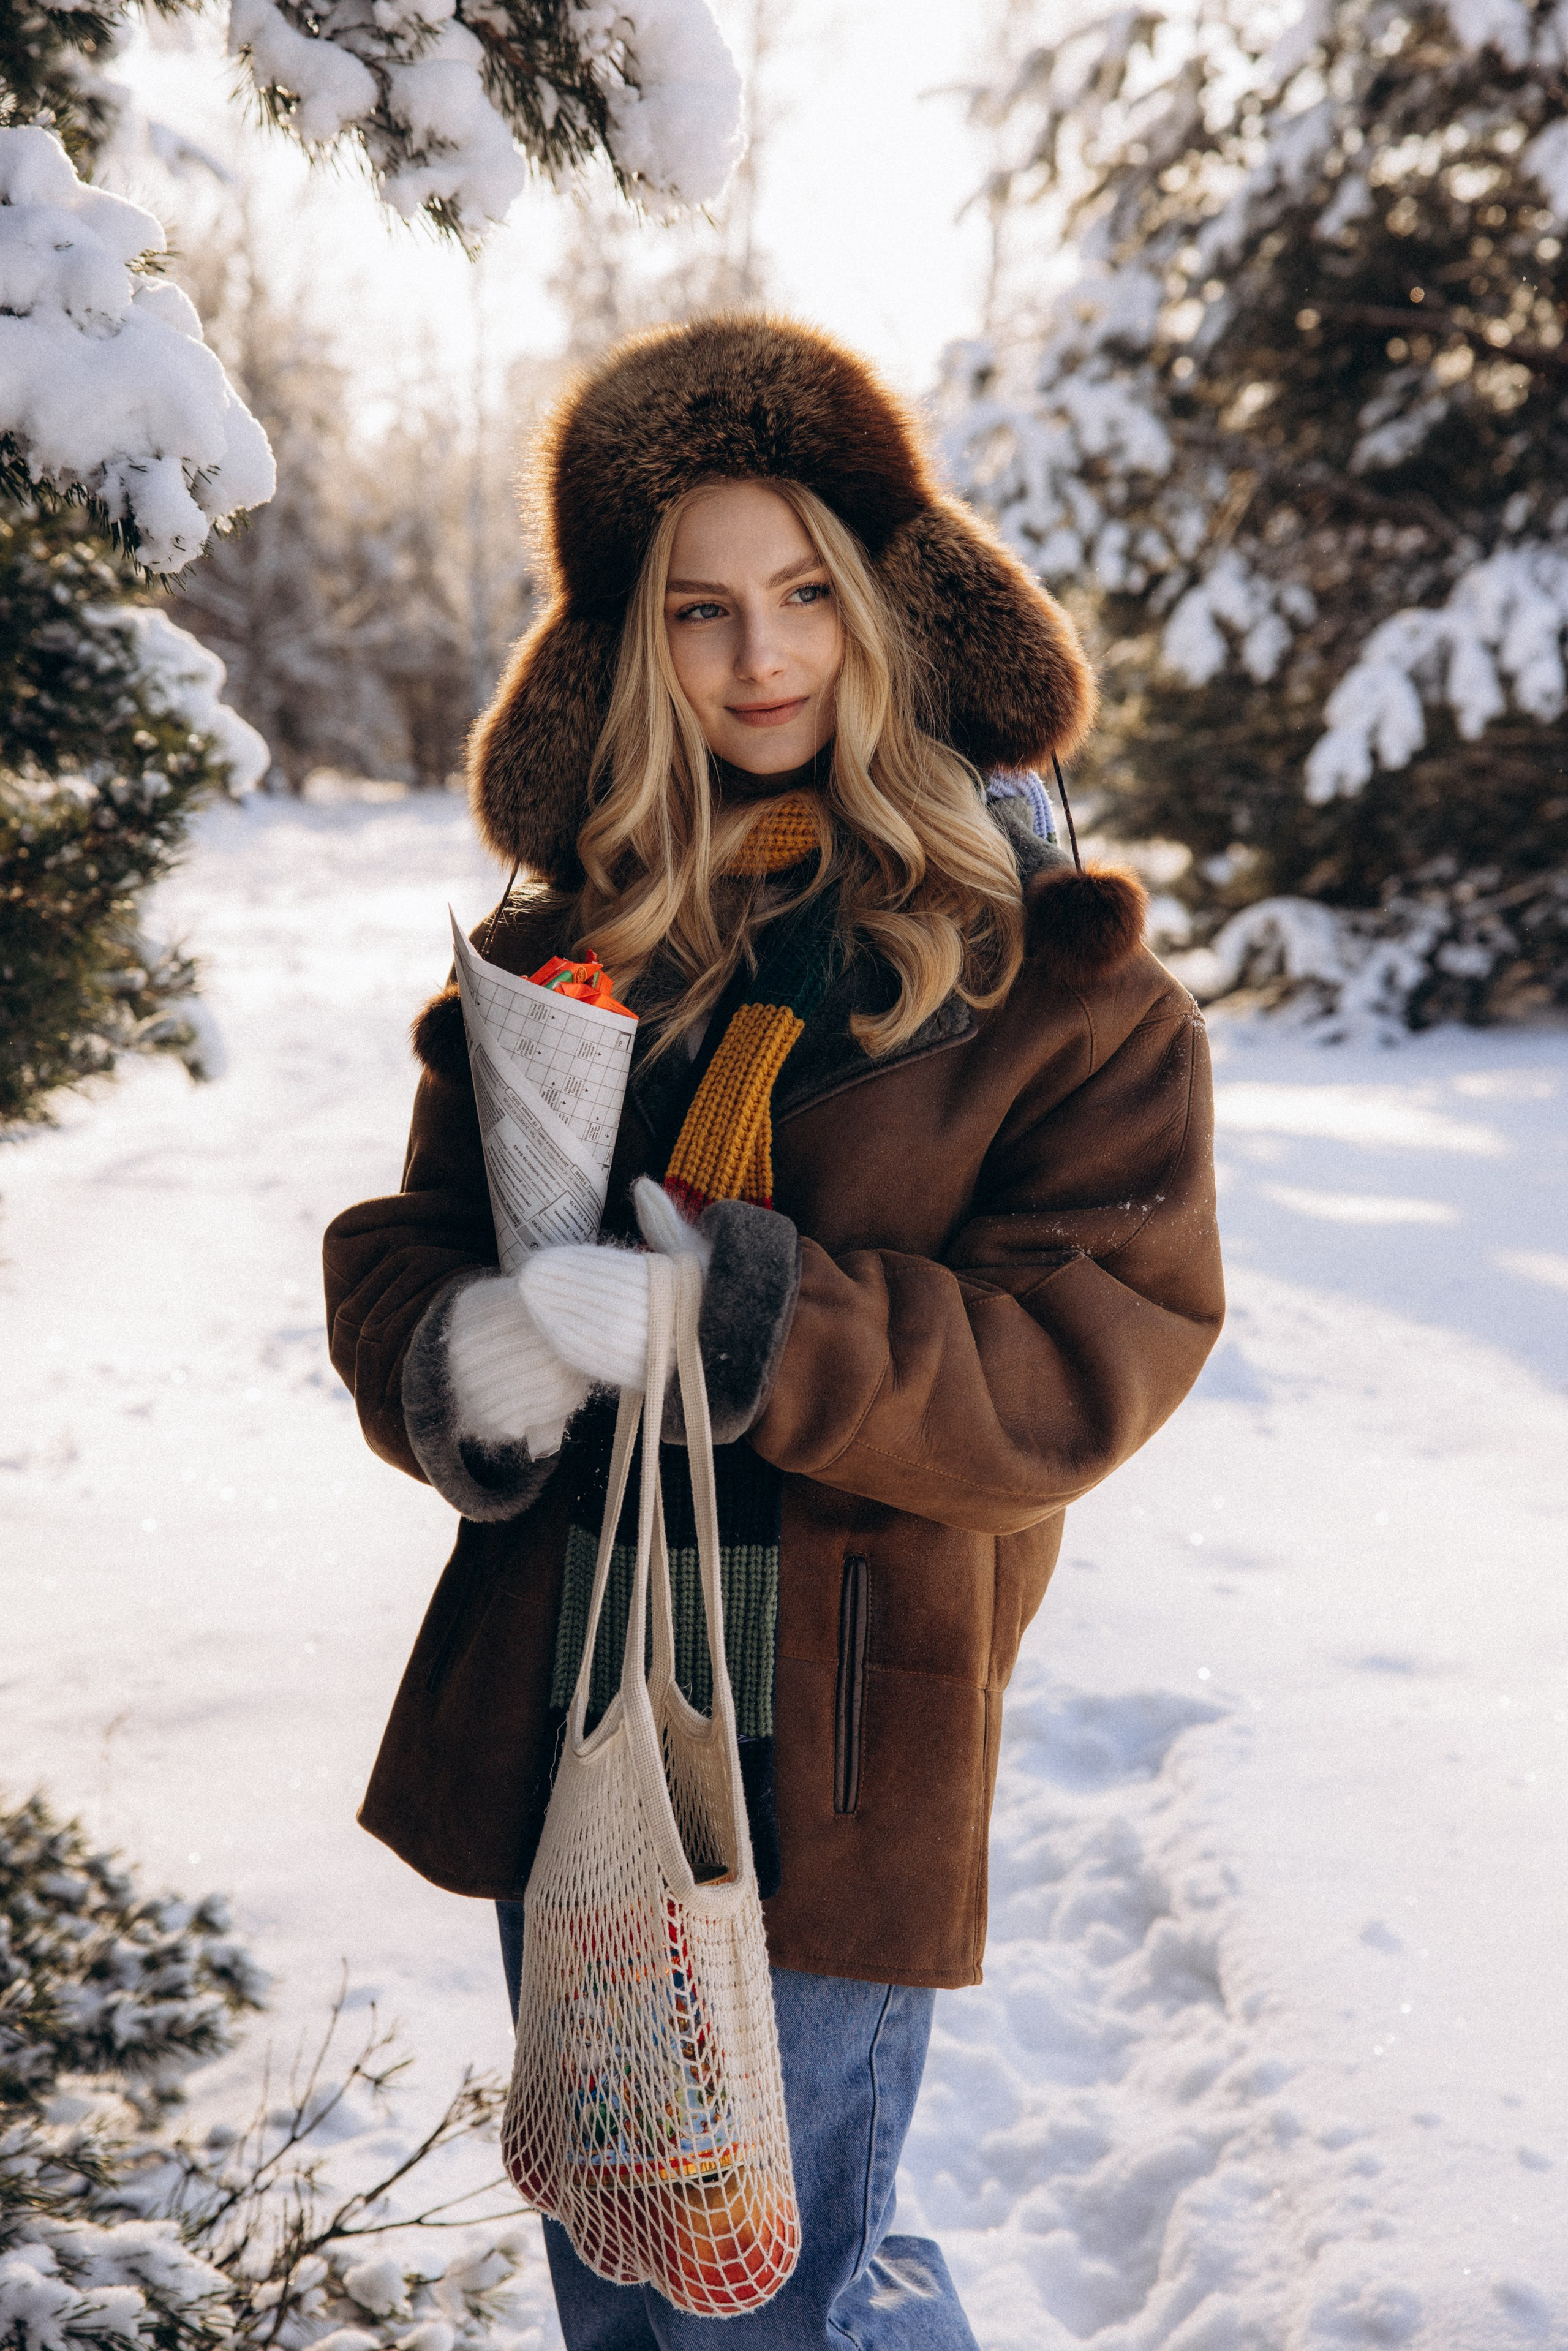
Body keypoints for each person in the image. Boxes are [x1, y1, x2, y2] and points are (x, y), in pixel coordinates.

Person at [323, 315, 1224, 2350]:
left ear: (891, 604)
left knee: (784, 2299)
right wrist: (476, 1358)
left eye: (807, 592)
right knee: (626, 2278)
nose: (761, 658)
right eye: (702, 608)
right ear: (632, 644)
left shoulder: (1051, 985)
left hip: (817, 1741)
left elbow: (1083, 1358)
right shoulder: (574, 952)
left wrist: (732, 1316)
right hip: (570, 1709)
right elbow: (419, 1238)